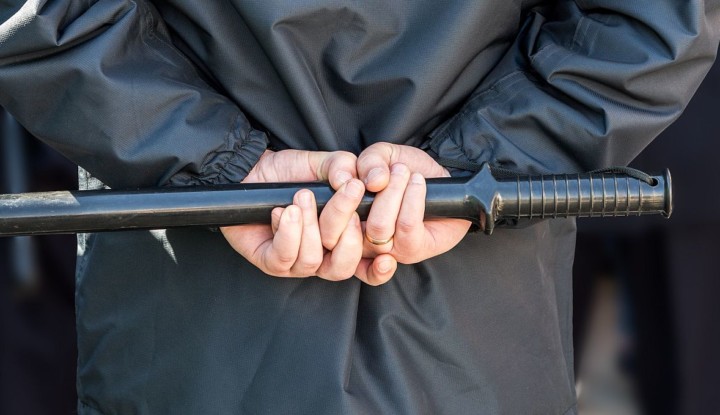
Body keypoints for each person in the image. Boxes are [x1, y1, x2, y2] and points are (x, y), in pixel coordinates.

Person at [1, 1, 718, 413]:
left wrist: (217, 164)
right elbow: (648, 23)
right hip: (469, 319)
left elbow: (46, 19)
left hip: (191, 325)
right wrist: (478, 165)